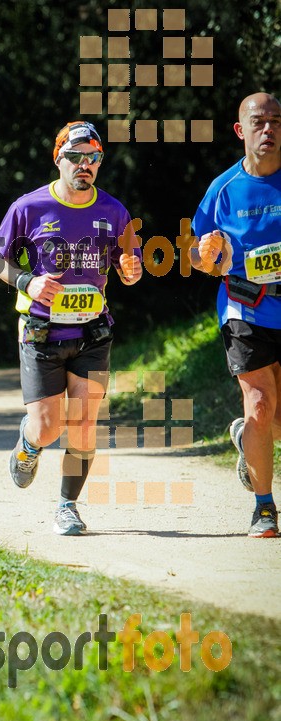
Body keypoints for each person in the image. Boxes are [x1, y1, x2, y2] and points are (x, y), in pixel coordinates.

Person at [0, 121, 142, 535]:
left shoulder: (115, 211)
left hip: (93, 331)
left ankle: (67, 506)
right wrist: (27, 281)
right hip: (41, 333)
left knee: (85, 422)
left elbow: (130, 263)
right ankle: (29, 441)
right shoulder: (29, 207)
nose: (85, 164)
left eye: (93, 157)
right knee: (48, 426)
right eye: (76, 156)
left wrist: (130, 271)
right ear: (59, 159)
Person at [191, 92, 281, 537]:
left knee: (273, 423)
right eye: (259, 122)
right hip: (245, 306)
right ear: (240, 130)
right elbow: (198, 254)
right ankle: (264, 507)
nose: (269, 130)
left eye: (276, 122)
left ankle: (247, 439)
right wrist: (205, 256)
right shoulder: (223, 189)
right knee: (261, 405)